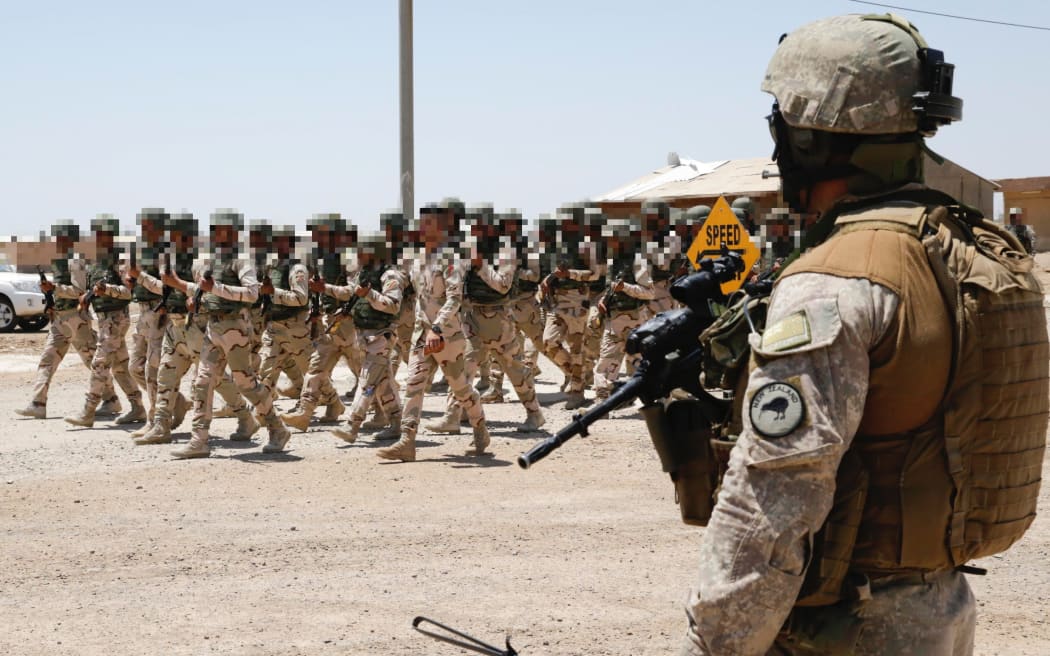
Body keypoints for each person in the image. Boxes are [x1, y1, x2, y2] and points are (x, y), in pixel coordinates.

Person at [678, 14, 1048, 655]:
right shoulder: (973, 249)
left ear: (813, 136)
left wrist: (716, 642)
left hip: (849, 625)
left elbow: (775, 493)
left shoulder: (838, 277)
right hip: (937, 605)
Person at [161, 210, 290, 458]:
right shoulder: (210, 261)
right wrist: (178, 284)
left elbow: (252, 294)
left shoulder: (241, 261)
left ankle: (277, 428)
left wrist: (216, 288)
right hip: (213, 327)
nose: (218, 235)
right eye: (215, 230)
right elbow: (203, 290)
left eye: (223, 230)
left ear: (233, 233)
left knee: (246, 384)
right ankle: (199, 440)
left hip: (236, 329)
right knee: (202, 382)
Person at [376, 199, 491, 462]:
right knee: (414, 384)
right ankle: (407, 441)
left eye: (428, 223)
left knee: (460, 389)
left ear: (441, 228)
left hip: (446, 335)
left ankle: (479, 427)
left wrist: (437, 328)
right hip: (421, 334)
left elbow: (455, 298)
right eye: (422, 222)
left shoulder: (450, 258)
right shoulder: (417, 258)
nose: (423, 227)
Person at [17, 222, 117, 419]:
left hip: (76, 319)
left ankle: (111, 399)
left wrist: (55, 288)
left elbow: (79, 292)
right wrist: (50, 294)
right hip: (60, 319)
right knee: (47, 360)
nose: (58, 242)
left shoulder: (76, 262)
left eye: (62, 238)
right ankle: (38, 403)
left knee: (91, 360)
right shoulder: (58, 260)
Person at [65, 216, 145, 428]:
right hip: (103, 319)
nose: (101, 238)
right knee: (120, 367)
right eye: (98, 234)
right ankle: (137, 406)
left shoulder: (119, 260)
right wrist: (87, 299)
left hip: (116, 318)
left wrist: (107, 290)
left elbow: (129, 292)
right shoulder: (94, 261)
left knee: (99, 363)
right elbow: (91, 289)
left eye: (105, 234)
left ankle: (88, 411)